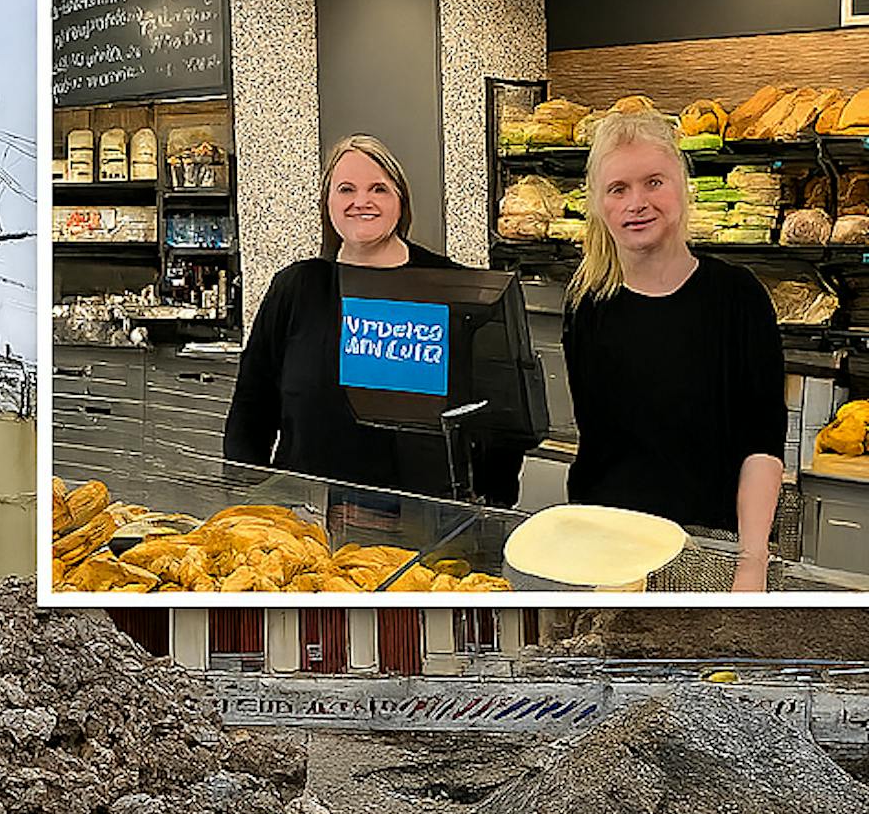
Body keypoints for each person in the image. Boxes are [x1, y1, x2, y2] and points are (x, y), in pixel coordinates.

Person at [223, 134, 521, 503]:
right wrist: (246, 504)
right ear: (327, 203)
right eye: (346, 189)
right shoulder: (298, 288)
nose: (361, 202)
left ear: (401, 200)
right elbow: (251, 411)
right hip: (309, 520)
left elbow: (499, 422)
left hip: (422, 526)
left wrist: (486, 513)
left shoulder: (453, 290)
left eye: (378, 189)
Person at [562, 108, 785, 593]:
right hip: (609, 548)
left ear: (683, 188)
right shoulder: (586, 304)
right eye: (618, 189)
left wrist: (751, 562)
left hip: (711, 549)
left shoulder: (738, 298)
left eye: (653, 183)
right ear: (598, 205)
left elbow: (763, 443)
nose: (636, 203)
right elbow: (600, 445)